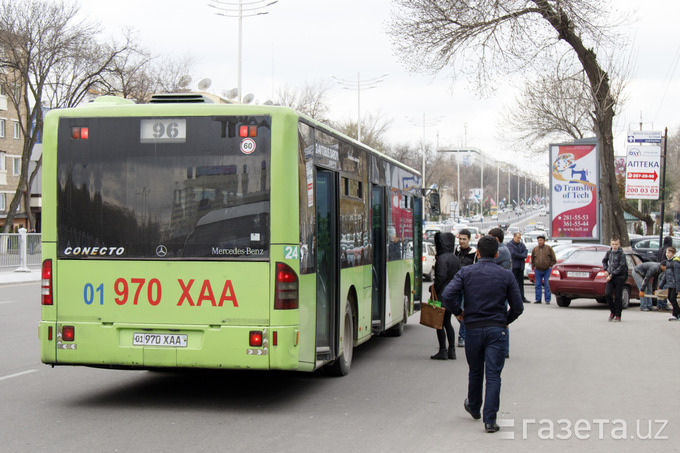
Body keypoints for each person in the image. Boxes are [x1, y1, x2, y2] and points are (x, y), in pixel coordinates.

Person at [440, 235, 524, 433]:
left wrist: (459, 313)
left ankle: (474, 407)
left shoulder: (466, 272)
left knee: (475, 370)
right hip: (497, 329)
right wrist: (505, 321)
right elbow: (518, 307)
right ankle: (490, 420)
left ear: (477, 252)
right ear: (496, 254)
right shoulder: (506, 275)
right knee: (494, 375)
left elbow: (447, 295)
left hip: (473, 328)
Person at [430, 232, 461, 360]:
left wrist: (433, 289)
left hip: (442, 294)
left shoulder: (442, 258)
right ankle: (452, 350)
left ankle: (443, 350)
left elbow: (440, 278)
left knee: (439, 324)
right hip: (452, 294)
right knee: (448, 322)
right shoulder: (455, 258)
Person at [488, 227, 512, 358]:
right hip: (500, 288)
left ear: (496, 239)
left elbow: (486, 260)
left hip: (500, 289)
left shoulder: (500, 251)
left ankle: (504, 349)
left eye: (490, 238)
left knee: (502, 321)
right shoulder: (503, 249)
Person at [454, 229, 478, 347]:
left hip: (468, 287)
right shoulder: (456, 252)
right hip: (456, 286)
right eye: (460, 239)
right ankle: (467, 327)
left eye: (464, 239)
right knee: (456, 310)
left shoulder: (474, 254)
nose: (462, 241)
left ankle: (462, 336)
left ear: (469, 239)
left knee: (464, 310)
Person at [602, 237, 628, 322]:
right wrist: (606, 270)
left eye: (616, 244)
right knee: (607, 294)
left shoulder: (622, 254)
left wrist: (612, 275)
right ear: (610, 244)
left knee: (618, 296)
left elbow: (621, 267)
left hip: (619, 277)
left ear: (619, 244)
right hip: (610, 276)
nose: (614, 246)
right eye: (613, 244)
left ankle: (618, 315)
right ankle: (612, 311)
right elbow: (604, 261)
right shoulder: (609, 252)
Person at [531, 234, 556, 304]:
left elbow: (553, 259)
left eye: (541, 240)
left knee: (547, 285)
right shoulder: (535, 249)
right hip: (538, 270)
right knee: (537, 285)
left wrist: (550, 266)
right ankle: (538, 299)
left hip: (547, 270)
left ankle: (547, 300)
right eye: (538, 240)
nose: (539, 242)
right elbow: (532, 258)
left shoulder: (548, 248)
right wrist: (534, 266)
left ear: (544, 241)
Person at [506, 232, 529, 303]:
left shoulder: (521, 245)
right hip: (514, 267)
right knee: (514, 284)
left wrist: (521, 255)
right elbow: (513, 254)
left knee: (521, 284)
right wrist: (521, 256)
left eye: (520, 238)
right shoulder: (509, 245)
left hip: (521, 266)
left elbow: (525, 252)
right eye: (518, 238)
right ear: (514, 237)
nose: (519, 239)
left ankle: (522, 297)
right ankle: (514, 298)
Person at [662, 247, 680, 321]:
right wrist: (661, 285)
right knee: (669, 297)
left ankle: (675, 314)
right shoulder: (668, 262)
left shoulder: (675, 263)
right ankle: (678, 312)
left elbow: (677, 276)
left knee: (672, 298)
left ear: (673, 254)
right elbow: (665, 275)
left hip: (675, 284)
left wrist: (678, 288)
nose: (667, 254)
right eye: (666, 252)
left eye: (669, 253)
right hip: (670, 284)